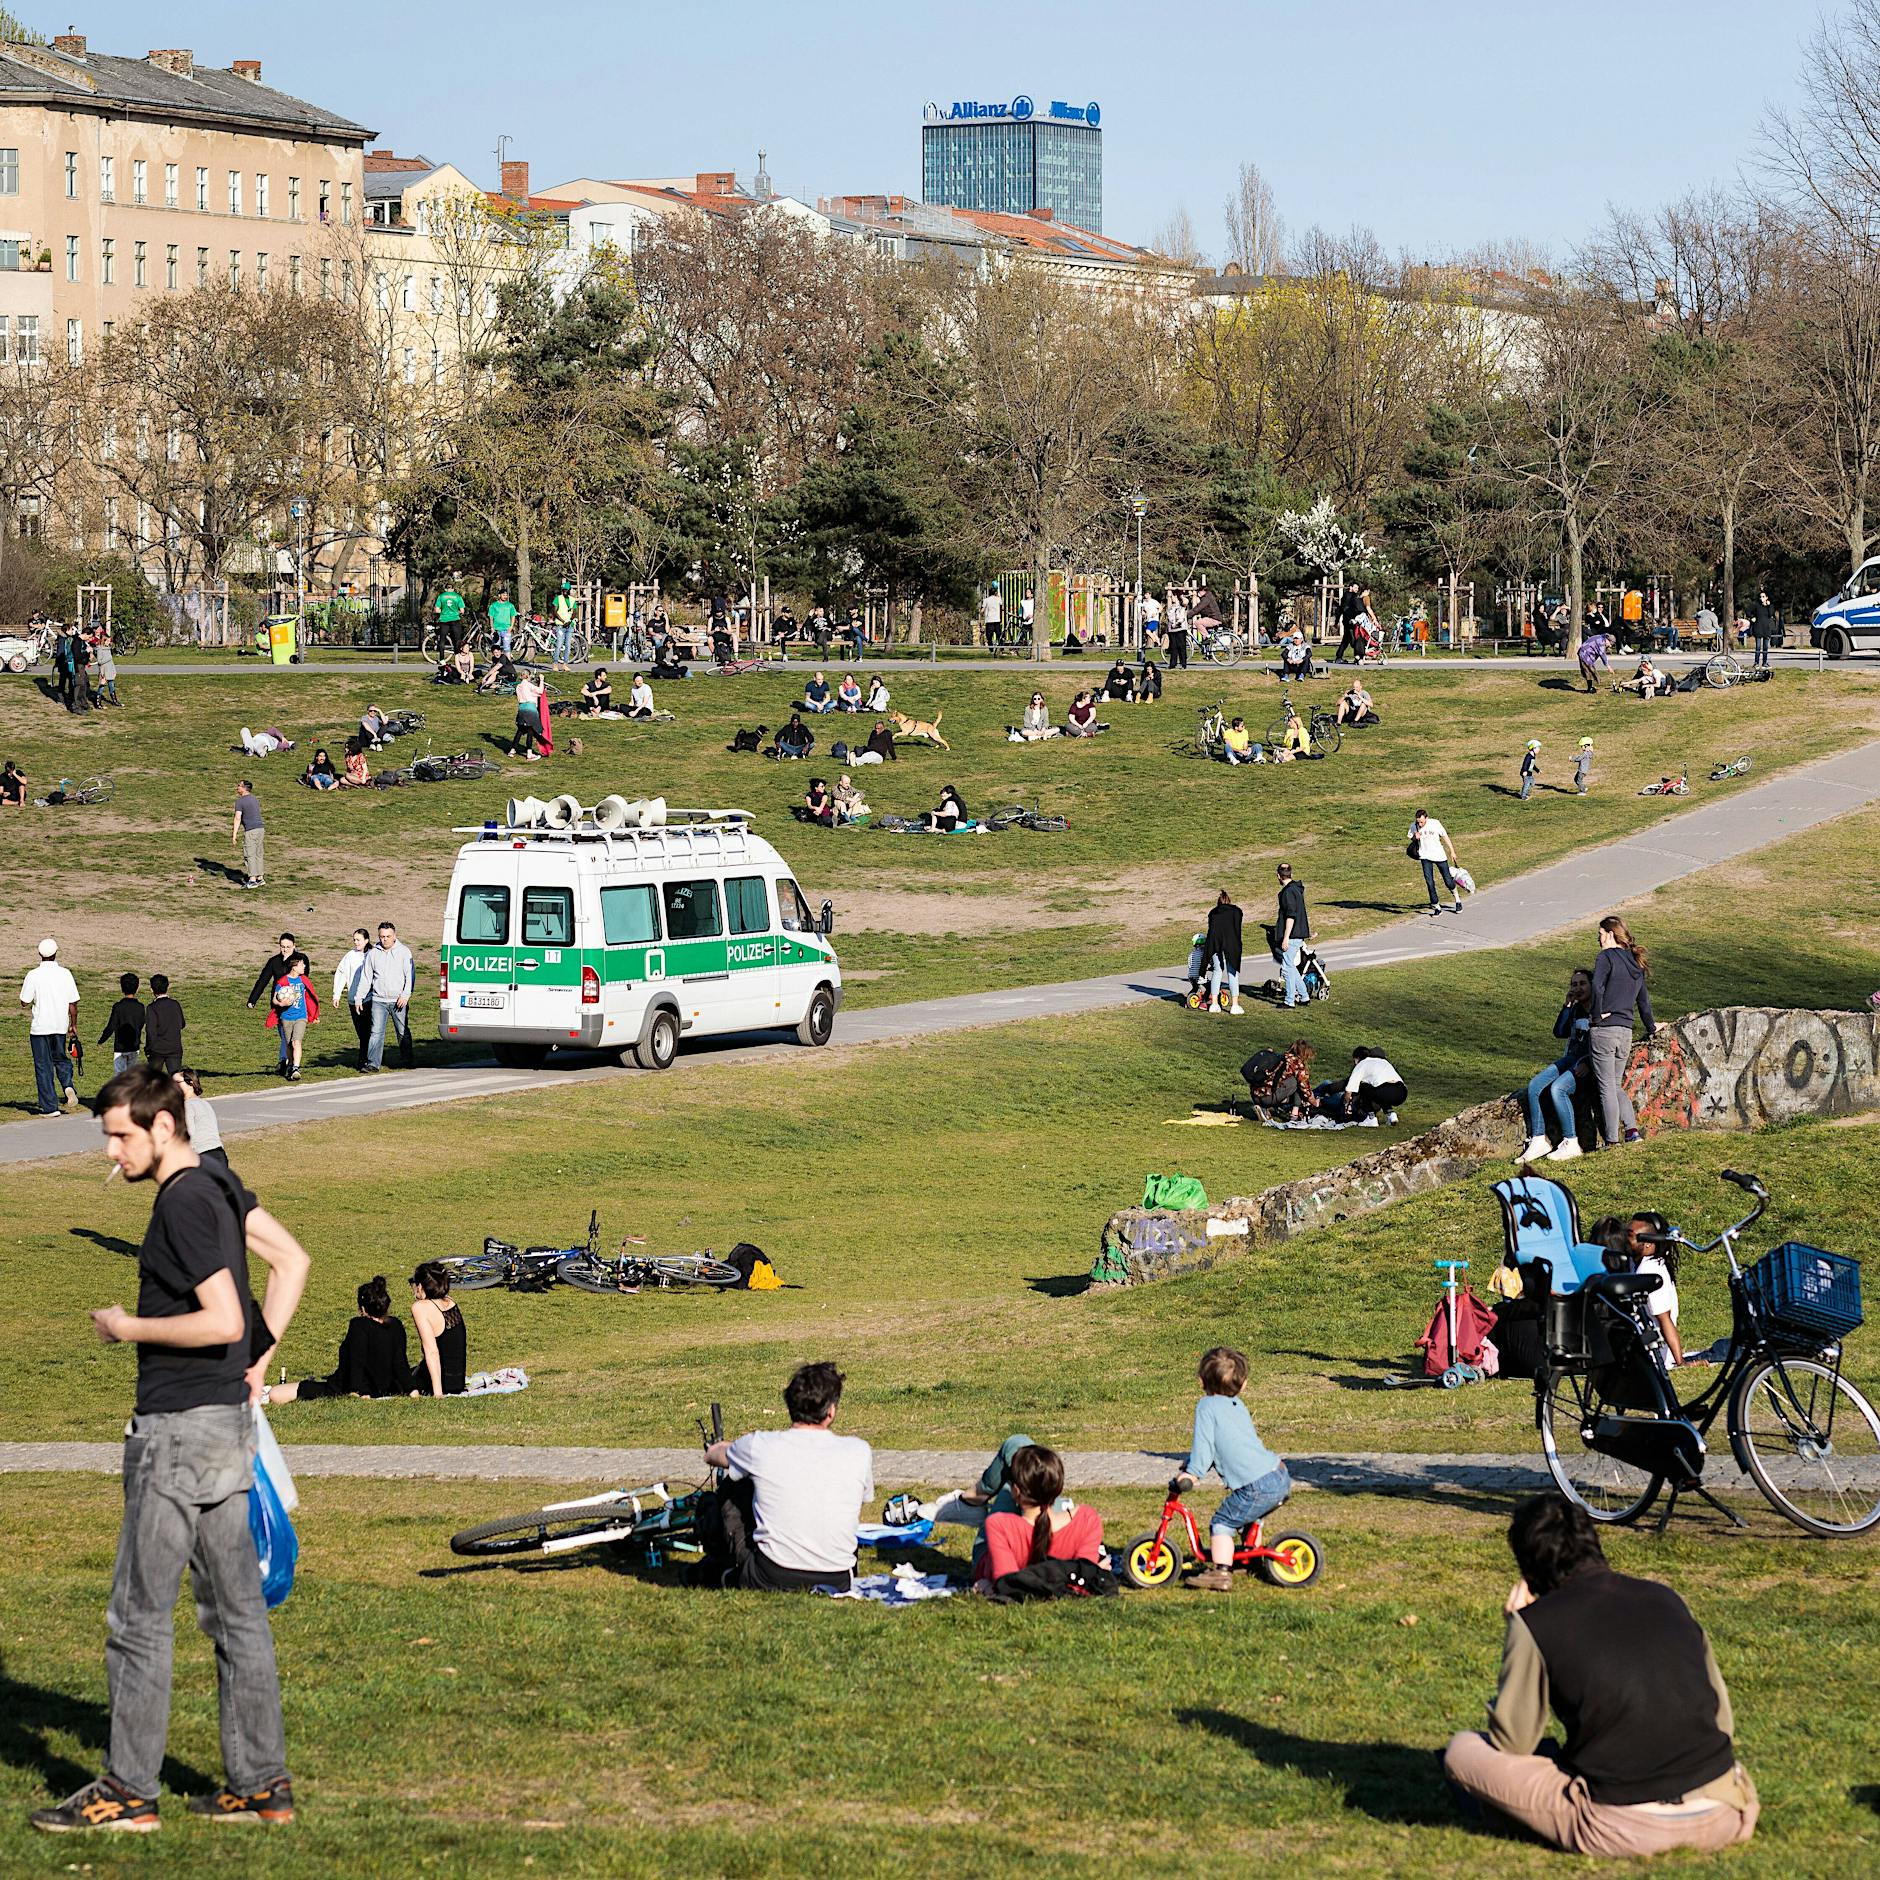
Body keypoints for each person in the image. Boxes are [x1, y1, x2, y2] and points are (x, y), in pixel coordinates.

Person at [29, 1066, 310, 1837]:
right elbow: (293, 1263)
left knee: (138, 1616)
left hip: (178, 1432)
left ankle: (128, 1789)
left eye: (121, 1136)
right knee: (237, 1615)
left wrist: (130, 1327)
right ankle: (260, 1787)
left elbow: (220, 1317)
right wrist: (258, 1362)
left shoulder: (184, 1201)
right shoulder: (219, 1185)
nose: (112, 1153)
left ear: (163, 1127)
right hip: (225, 1427)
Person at [1441, 1494, 1758, 1855]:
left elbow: (1513, 1742)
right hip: (1725, 1813)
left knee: (1462, 1751)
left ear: (1528, 1572)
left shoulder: (1536, 1623)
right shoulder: (1667, 1598)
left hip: (1626, 1826)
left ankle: (1516, 1814)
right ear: (1594, 1543)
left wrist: (1517, 1626)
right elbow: (1723, 1724)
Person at [699, 1361, 874, 1593]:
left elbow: (713, 1456)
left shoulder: (759, 1446)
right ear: (830, 1411)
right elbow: (863, 1498)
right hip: (839, 1577)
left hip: (770, 1574)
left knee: (731, 1490)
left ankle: (721, 1567)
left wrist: (729, 1449)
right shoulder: (858, 1450)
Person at [1173, 1346, 1291, 1593]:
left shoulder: (1206, 1407)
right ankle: (1249, 1559)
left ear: (1201, 1381)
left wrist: (1192, 1473)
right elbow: (1230, 1442)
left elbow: (1205, 1446)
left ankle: (1221, 1573)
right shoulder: (1237, 1404)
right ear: (1244, 1384)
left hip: (1257, 1484)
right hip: (1277, 1472)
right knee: (1249, 1518)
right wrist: (1192, 1461)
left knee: (1223, 1522)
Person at [975, 1445, 1104, 1589]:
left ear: (1016, 1491)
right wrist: (1095, 1572)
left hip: (989, 1559)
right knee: (1032, 1465)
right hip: (1045, 1519)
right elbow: (1084, 1579)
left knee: (1014, 1444)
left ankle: (969, 1499)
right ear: (1058, 1486)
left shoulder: (999, 1525)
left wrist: (986, 1587)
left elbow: (1007, 1583)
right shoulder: (1087, 1519)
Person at [268, 1277, 409, 1403]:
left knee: (275, 1393)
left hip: (343, 1388)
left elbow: (357, 1361)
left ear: (363, 1308)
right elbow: (400, 1363)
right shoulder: (395, 1325)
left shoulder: (359, 1326)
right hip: (386, 1388)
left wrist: (358, 1392)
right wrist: (412, 1389)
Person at [1590, 916, 1658, 1148]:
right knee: (1615, 1085)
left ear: (1610, 934)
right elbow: (1644, 1002)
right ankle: (1631, 1131)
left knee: (1606, 1087)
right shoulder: (1635, 962)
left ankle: (1611, 1140)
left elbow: (1597, 987)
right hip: (1625, 1032)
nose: (1598, 941)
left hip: (1605, 1032)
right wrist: (1651, 1027)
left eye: (1599, 935)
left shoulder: (1606, 957)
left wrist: (1596, 1016)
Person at [1518, 967, 1594, 1163]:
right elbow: (1559, 1032)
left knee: (1558, 1089)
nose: (1578, 988)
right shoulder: (1576, 1010)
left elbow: (1602, 1043)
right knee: (1535, 1086)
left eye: (1582, 983)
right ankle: (1538, 1139)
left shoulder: (1599, 1009)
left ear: (1593, 985)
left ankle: (1571, 1142)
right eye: (1574, 984)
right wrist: (1567, 1006)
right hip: (1570, 1059)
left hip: (1587, 1063)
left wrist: (1587, 1062)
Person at [20, 936, 81, 1114]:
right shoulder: (65, 973)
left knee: (43, 1065)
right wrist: (73, 1025)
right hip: (60, 1025)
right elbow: (73, 1005)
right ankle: (67, 1085)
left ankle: (49, 1107)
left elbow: (24, 1001)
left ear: (40, 954)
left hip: (40, 1027)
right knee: (60, 1057)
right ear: (55, 953)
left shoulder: (33, 975)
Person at [357, 921, 414, 1074]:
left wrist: (405, 995)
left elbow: (410, 975)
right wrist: (359, 998)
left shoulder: (404, 952)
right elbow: (366, 977)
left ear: (394, 936)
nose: (385, 939)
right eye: (382, 936)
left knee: (402, 1031)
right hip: (379, 1000)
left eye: (388, 936)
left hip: (398, 1000)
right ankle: (373, 1063)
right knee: (376, 1032)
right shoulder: (373, 954)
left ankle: (407, 1060)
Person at [407, 1262, 466, 1397]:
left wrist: (438, 1393)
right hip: (457, 1380)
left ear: (420, 1287)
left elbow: (432, 1352)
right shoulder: (450, 1302)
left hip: (440, 1381)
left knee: (397, 1380)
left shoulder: (420, 1308)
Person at [246, 933, 297, 1075]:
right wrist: (252, 999)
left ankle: (286, 1062)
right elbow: (263, 980)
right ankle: (286, 1061)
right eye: (282, 947)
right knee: (284, 1034)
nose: (285, 950)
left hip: (296, 1004)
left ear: (294, 946)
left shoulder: (300, 960)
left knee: (291, 1035)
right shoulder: (274, 961)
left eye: (288, 947)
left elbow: (305, 979)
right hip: (279, 1004)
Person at [1408, 808, 1464, 916]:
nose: (1420, 824)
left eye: (1422, 822)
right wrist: (1415, 837)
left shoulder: (1435, 824)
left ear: (1426, 818)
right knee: (1429, 882)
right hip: (1425, 856)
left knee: (1448, 880)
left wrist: (1452, 851)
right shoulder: (1414, 826)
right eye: (1418, 822)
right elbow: (1411, 837)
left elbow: (1445, 836)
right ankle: (1436, 906)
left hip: (1439, 855)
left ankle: (1457, 899)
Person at [169, 1067, 227, 1169]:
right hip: (219, 1155)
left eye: (177, 1082)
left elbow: (187, 1135)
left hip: (202, 1157)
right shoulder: (205, 1103)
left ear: (190, 1083)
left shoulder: (187, 1106)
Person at [269, 952, 314, 1082]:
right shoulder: (283, 981)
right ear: (294, 966)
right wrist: (281, 1003)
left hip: (301, 1016)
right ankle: (290, 1064)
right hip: (286, 1017)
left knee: (296, 1042)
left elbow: (310, 998)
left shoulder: (304, 980)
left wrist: (313, 1014)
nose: (304, 966)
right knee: (289, 1044)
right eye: (301, 964)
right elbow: (274, 999)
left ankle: (296, 1068)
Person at [331, 929, 372, 1068]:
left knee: (367, 1030)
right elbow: (341, 973)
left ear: (366, 940)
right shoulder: (350, 955)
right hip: (352, 999)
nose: (356, 942)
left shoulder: (372, 955)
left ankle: (364, 1059)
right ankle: (366, 1057)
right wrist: (337, 994)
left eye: (358, 939)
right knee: (360, 1030)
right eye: (354, 939)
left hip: (368, 999)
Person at [1338, 1045, 1407, 1123]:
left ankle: (1371, 1118)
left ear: (1357, 1059)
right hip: (1402, 1092)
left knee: (1364, 1086)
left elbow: (1349, 1089)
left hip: (1384, 1091)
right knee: (1379, 1090)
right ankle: (1391, 1114)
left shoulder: (1362, 1064)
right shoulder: (1384, 1062)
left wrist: (1346, 1105)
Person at [1202, 889, 1244, 1015]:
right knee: (1232, 972)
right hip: (1231, 943)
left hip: (1215, 943)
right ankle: (1235, 1005)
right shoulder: (1236, 912)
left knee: (1217, 970)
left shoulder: (1213, 913)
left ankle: (1214, 1004)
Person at [1275, 864, 1310, 1009]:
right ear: (1290, 874)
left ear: (1278, 876)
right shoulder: (1296, 889)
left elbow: (1291, 916)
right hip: (1299, 933)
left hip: (1292, 935)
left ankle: (1289, 1000)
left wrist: (1285, 937)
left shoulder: (1288, 892)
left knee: (1286, 968)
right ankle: (1304, 996)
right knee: (1291, 967)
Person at [100, 972, 146, 1075]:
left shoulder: (118, 1007)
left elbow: (111, 1026)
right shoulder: (140, 1007)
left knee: (120, 1077)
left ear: (122, 988)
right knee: (132, 1076)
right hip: (134, 1046)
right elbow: (142, 1022)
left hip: (120, 1047)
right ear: (137, 988)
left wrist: (102, 1040)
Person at [144, 975, 185, 1075]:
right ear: (167, 987)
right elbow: (182, 1024)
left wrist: (148, 1048)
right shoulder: (175, 1004)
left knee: (154, 1080)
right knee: (176, 1079)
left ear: (152, 989)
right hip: (174, 1048)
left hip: (157, 1049)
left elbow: (150, 1031)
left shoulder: (152, 1008)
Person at [230, 781, 265, 890]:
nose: (237, 787)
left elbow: (237, 818)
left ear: (244, 788)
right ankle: (260, 878)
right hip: (260, 829)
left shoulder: (240, 802)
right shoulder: (255, 799)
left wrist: (234, 834)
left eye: (239, 786)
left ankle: (252, 880)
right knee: (258, 854)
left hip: (251, 831)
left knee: (249, 855)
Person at [512, 670, 545, 761]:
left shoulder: (518, 687)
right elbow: (540, 691)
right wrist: (541, 680)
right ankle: (529, 754)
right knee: (530, 731)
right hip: (530, 711)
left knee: (520, 730)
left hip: (521, 710)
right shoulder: (529, 685)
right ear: (528, 676)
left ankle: (512, 750)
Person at [1748, 587, 1779, 671]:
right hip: (1758, 628)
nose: (1761, 598)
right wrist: (1752, 617)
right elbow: (1748, 611)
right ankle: (1756, 662)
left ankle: (1765, 662)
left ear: (1766, 597)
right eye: (1760, 597)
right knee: (1758, 647)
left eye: (1763, 596)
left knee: (1765, 647)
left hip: (1767, 628)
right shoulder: (1756, 605)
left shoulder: (1770, 606)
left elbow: (1771, 614)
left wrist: (1768, 605)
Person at [433, 578, 466, 654]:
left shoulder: (441, 596)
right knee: (457, 639)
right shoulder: (458, 597)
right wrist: (456, 612)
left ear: (445, 589)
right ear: (453, 589)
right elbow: (462, 611)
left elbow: (437, 610)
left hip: (444, 620)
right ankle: (457, 656)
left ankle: (442, 659)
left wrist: (443, 611)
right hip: (455, 619)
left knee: (442, 640)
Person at [1577, 628, 1613, 694]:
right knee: (1589, 671)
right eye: (1610, 644)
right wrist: (1608, 667)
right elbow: (1602, 654)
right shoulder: (1601, 642)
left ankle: (1592, 686)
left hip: (1586, 654)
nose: (1610, 645)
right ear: (1607, 640)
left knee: (1589, 671)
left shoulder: (1601, 638)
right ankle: (1591, 688)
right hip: (1585, 655)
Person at [550, 579, 578, 666]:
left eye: (566, 590)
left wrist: (569, 621)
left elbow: (574, 612)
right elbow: (555, 611)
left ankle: (565, 664)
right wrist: (563, 621)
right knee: (559, 645)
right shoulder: (558, 599)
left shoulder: (572, 600)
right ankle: (555, 663)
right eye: (563, 590)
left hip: (569, 625)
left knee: (568, 646)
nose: (565, 591)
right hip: (560, 625)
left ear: (569, 590)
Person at [487, 587, 517, 660]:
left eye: (506, 595)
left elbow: (513, 616)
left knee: (507, 648)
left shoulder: (510, 605)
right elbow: (491, 617)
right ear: (499, 595)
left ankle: (508, 665)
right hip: (496, 630)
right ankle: (496, 664)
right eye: (503, 595)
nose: (505, 596)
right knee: (496, 648)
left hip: (506, 630)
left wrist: (511, 627)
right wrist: (492, 628)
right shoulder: (493, 605)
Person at [1164, 590, 1189, 669]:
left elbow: (1185, 602)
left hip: (1181, 629)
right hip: (1172, 630)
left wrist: (1180, 595)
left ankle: (1183, 664)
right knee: (1173, 647)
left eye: (1173, 596)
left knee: (1181, 647)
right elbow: (1169, 617)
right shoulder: (1171, 607)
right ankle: (1172, 663)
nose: (1172, 598)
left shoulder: (1182, 606)